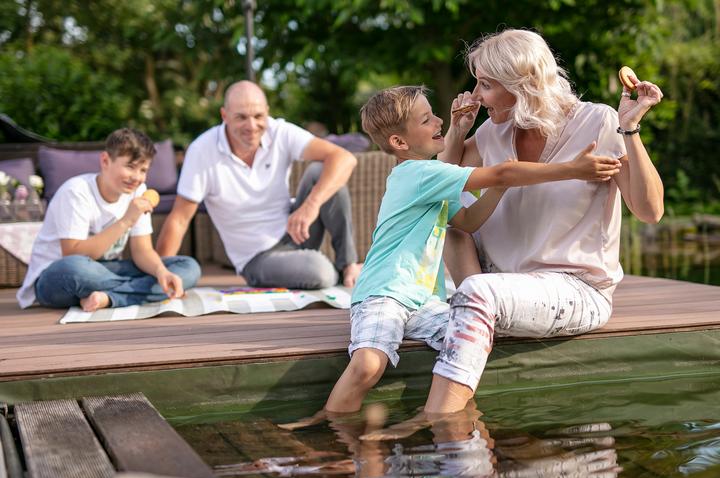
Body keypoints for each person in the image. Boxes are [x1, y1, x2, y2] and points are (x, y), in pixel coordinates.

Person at [320, 85, 621, 414]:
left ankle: (458, 413)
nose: (438, 121)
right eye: (426, 120)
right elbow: (503, 171)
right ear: (399, 143)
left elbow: (468, 221)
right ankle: (331, 432)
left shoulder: (431, 177)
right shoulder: (416, 173)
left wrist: (498, 185)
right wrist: (572, 169)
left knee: (469, 339)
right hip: (385, 293)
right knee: (368, 365)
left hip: (422, 301)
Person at [422, 29, 665, 413]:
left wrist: (630, 128)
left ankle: (441, 424)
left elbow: (650, 211)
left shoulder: (598, 122)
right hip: (498, 282)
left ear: (524, 85)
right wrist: (457, 130)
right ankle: (474, 320)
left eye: (486, 85)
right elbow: (439, 189)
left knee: (477, 294)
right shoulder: (493, 130)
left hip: (575, 288)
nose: (476, 95)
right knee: (454, 229)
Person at [156, 80, 362, 289]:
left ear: (267, 112)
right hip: (257, 258)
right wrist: (160, 273)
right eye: (241, 117)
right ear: (224, 116)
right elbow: (179, 220)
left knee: (322, 171)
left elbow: (345, 158)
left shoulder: (279, 131)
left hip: (295, 232)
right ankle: (328, 269)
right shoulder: (202, 150)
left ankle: (348, 265)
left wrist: (311, 205)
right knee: (321, 272)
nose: (252, 126)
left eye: (258, 116)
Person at [17, 128, 201, 311]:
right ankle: (139, 290)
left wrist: (161, 272)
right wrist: (126, 221)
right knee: (76, 269)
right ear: (105, 160)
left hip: (105, 271)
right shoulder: (76, 192)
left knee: (188, 267)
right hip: (57, 278)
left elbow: (142, 251)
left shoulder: (139, 191)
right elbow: (73, 255)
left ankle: (109, 298)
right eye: (130, 166)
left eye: (143, 170)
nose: (137, 177)